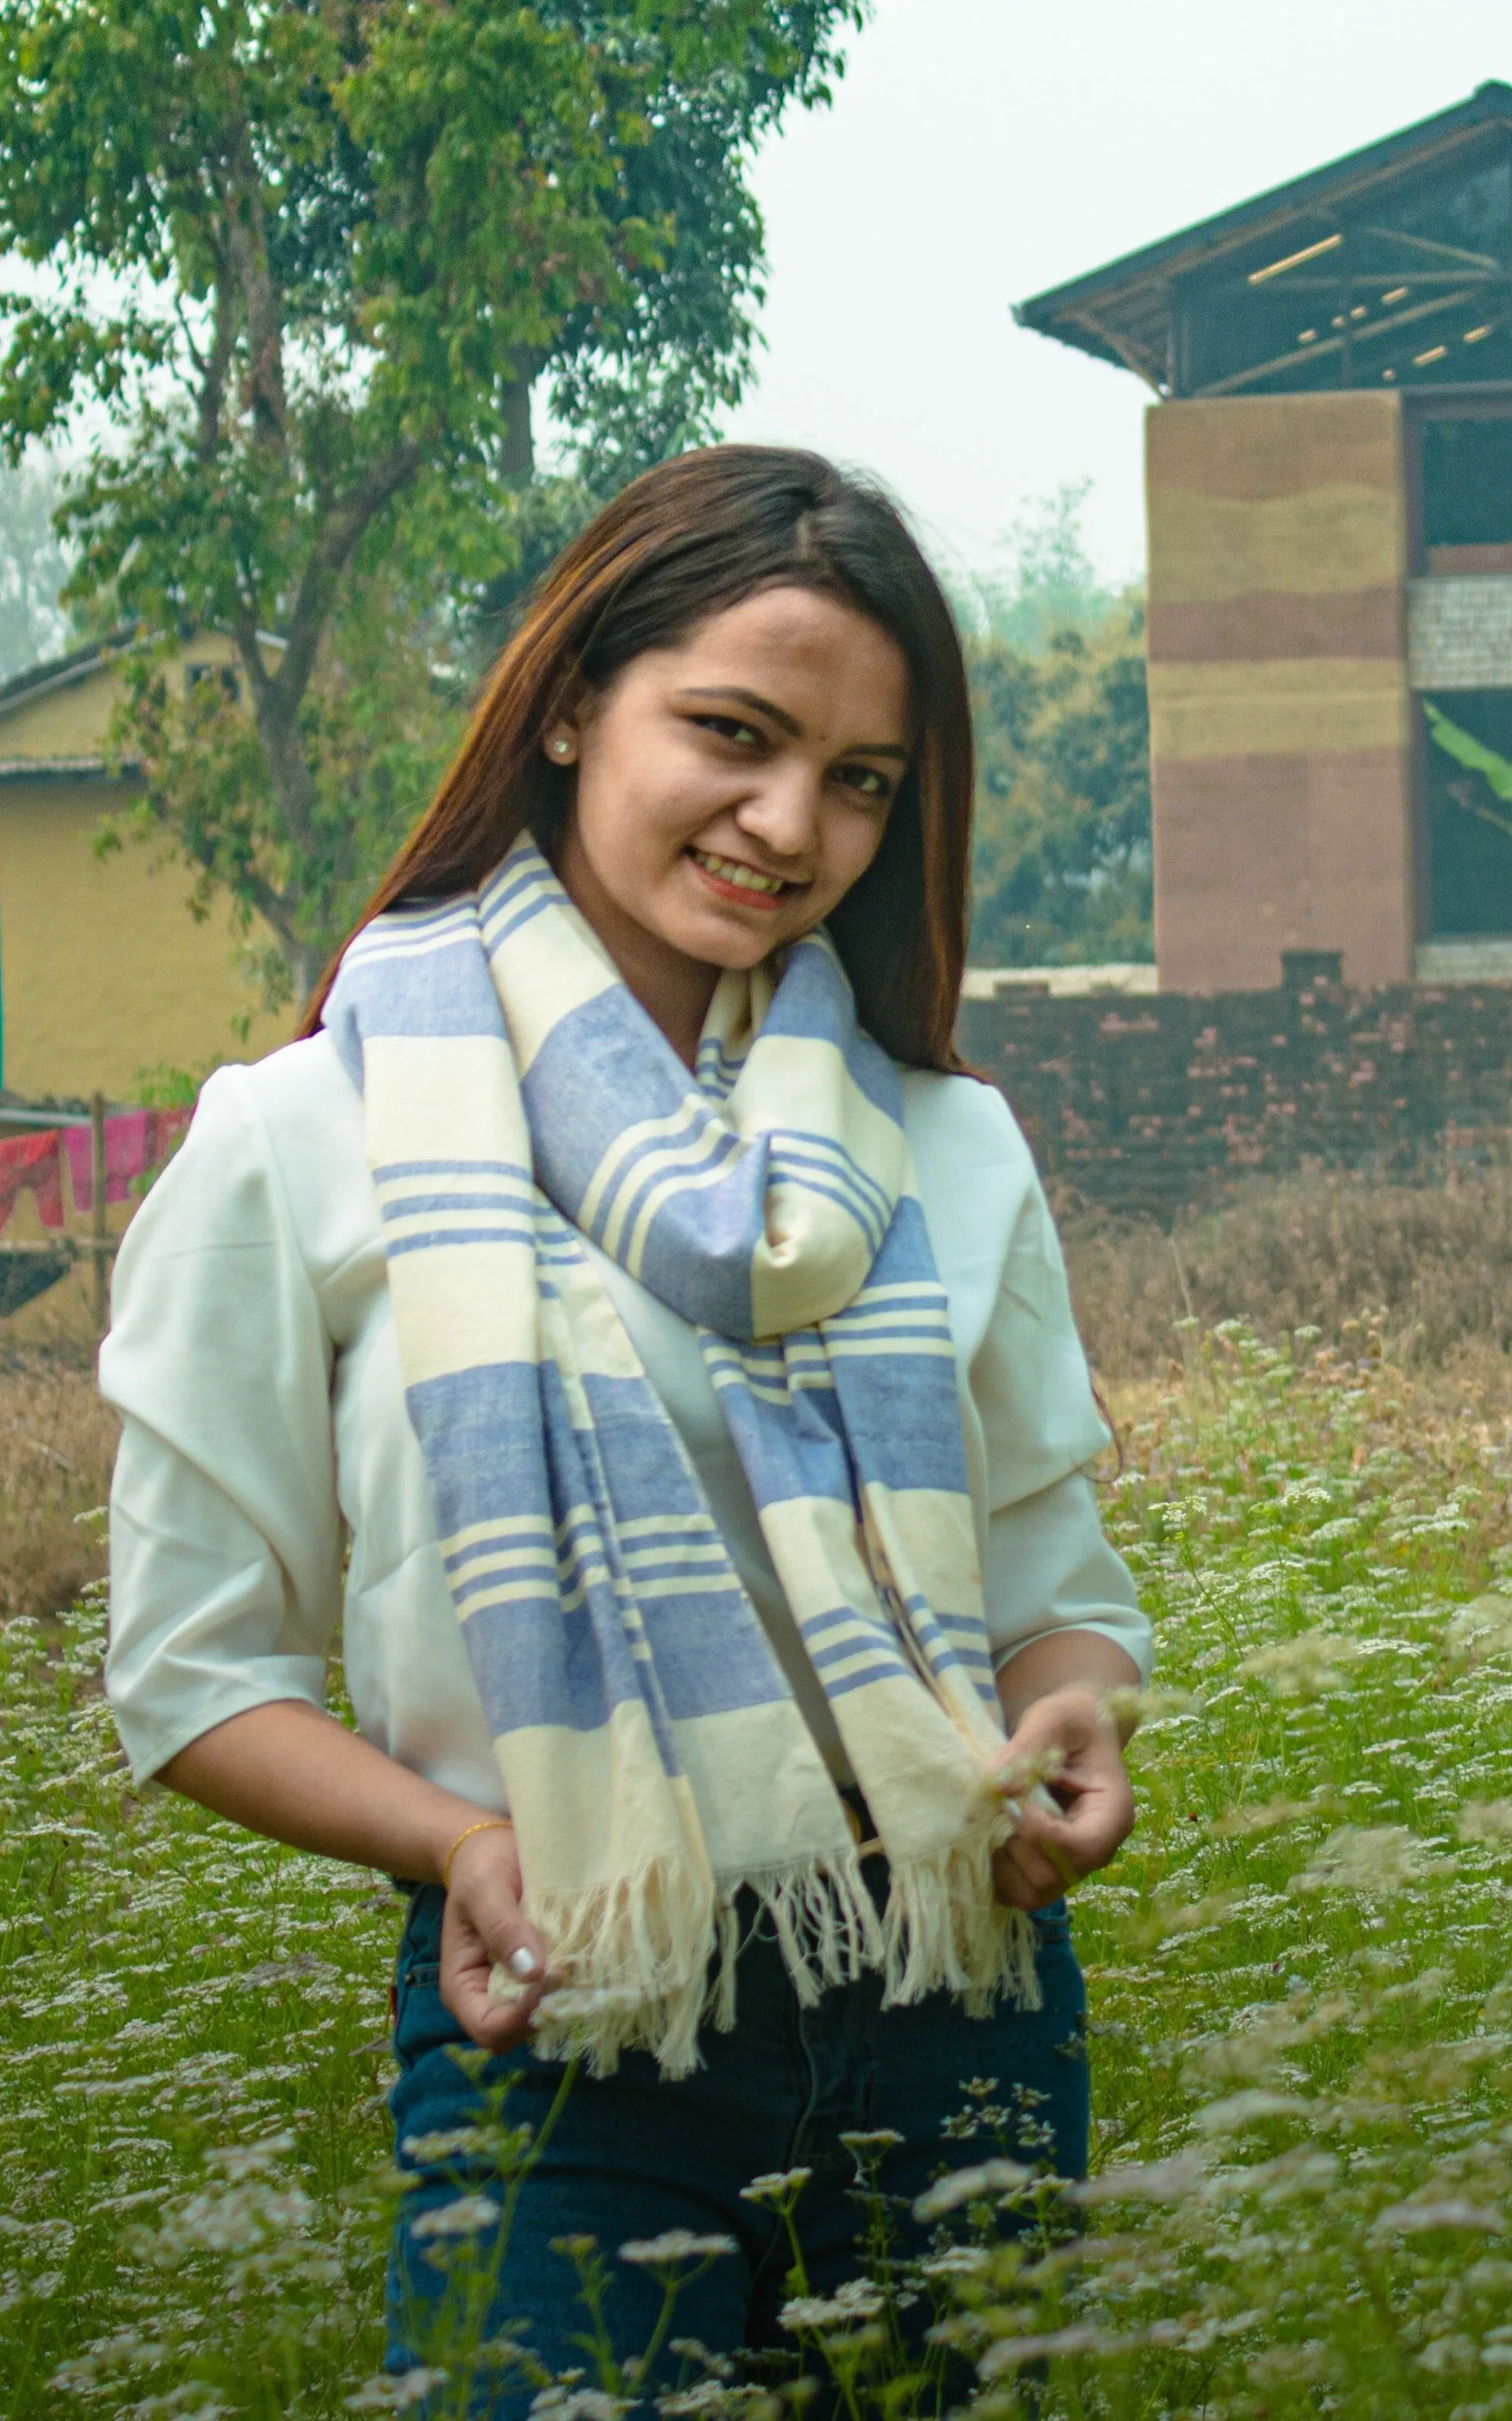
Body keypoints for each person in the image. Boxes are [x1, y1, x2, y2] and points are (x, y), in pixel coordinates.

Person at [98, 448, 1149, 2406]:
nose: (789, 825)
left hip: (951, 2001)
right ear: (575, 697)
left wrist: (1073, 1710)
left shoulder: (942, 1143)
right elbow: (188, 1676)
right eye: (733, 736)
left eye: (860, 781)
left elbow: (1054, 1596)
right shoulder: (305, 1142)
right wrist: (460, 1846)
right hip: (575, 2011)